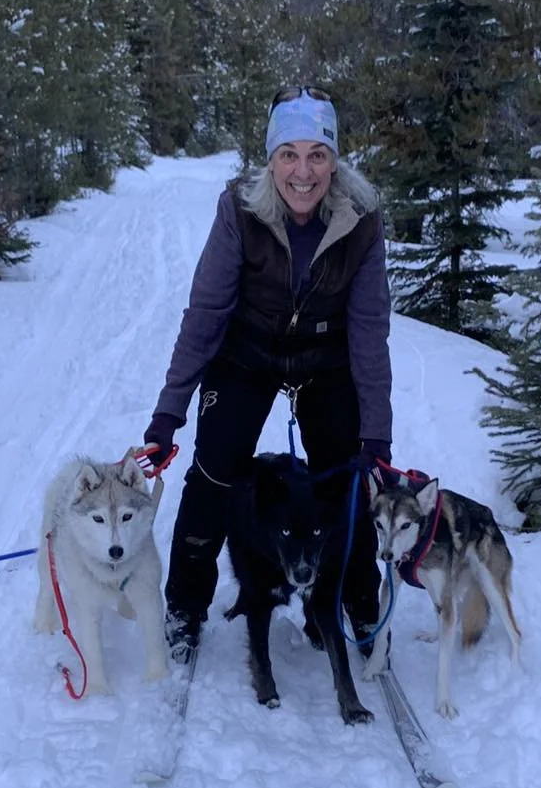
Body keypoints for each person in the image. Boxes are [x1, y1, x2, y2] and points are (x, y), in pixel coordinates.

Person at [141, 87, 392, 666]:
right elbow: (205, 315)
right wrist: (168, 414)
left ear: (335, 159)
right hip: (246, 355)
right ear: (270, 158)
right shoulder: (240, 211)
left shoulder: (362, 222)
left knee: (345, 479)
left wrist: (375, 437)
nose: (303, 173)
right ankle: (184, 606)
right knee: (215, 471)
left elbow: (369, 332)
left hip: (325, 362)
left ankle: (354, 600)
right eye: (289, 154)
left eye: (317, 155)